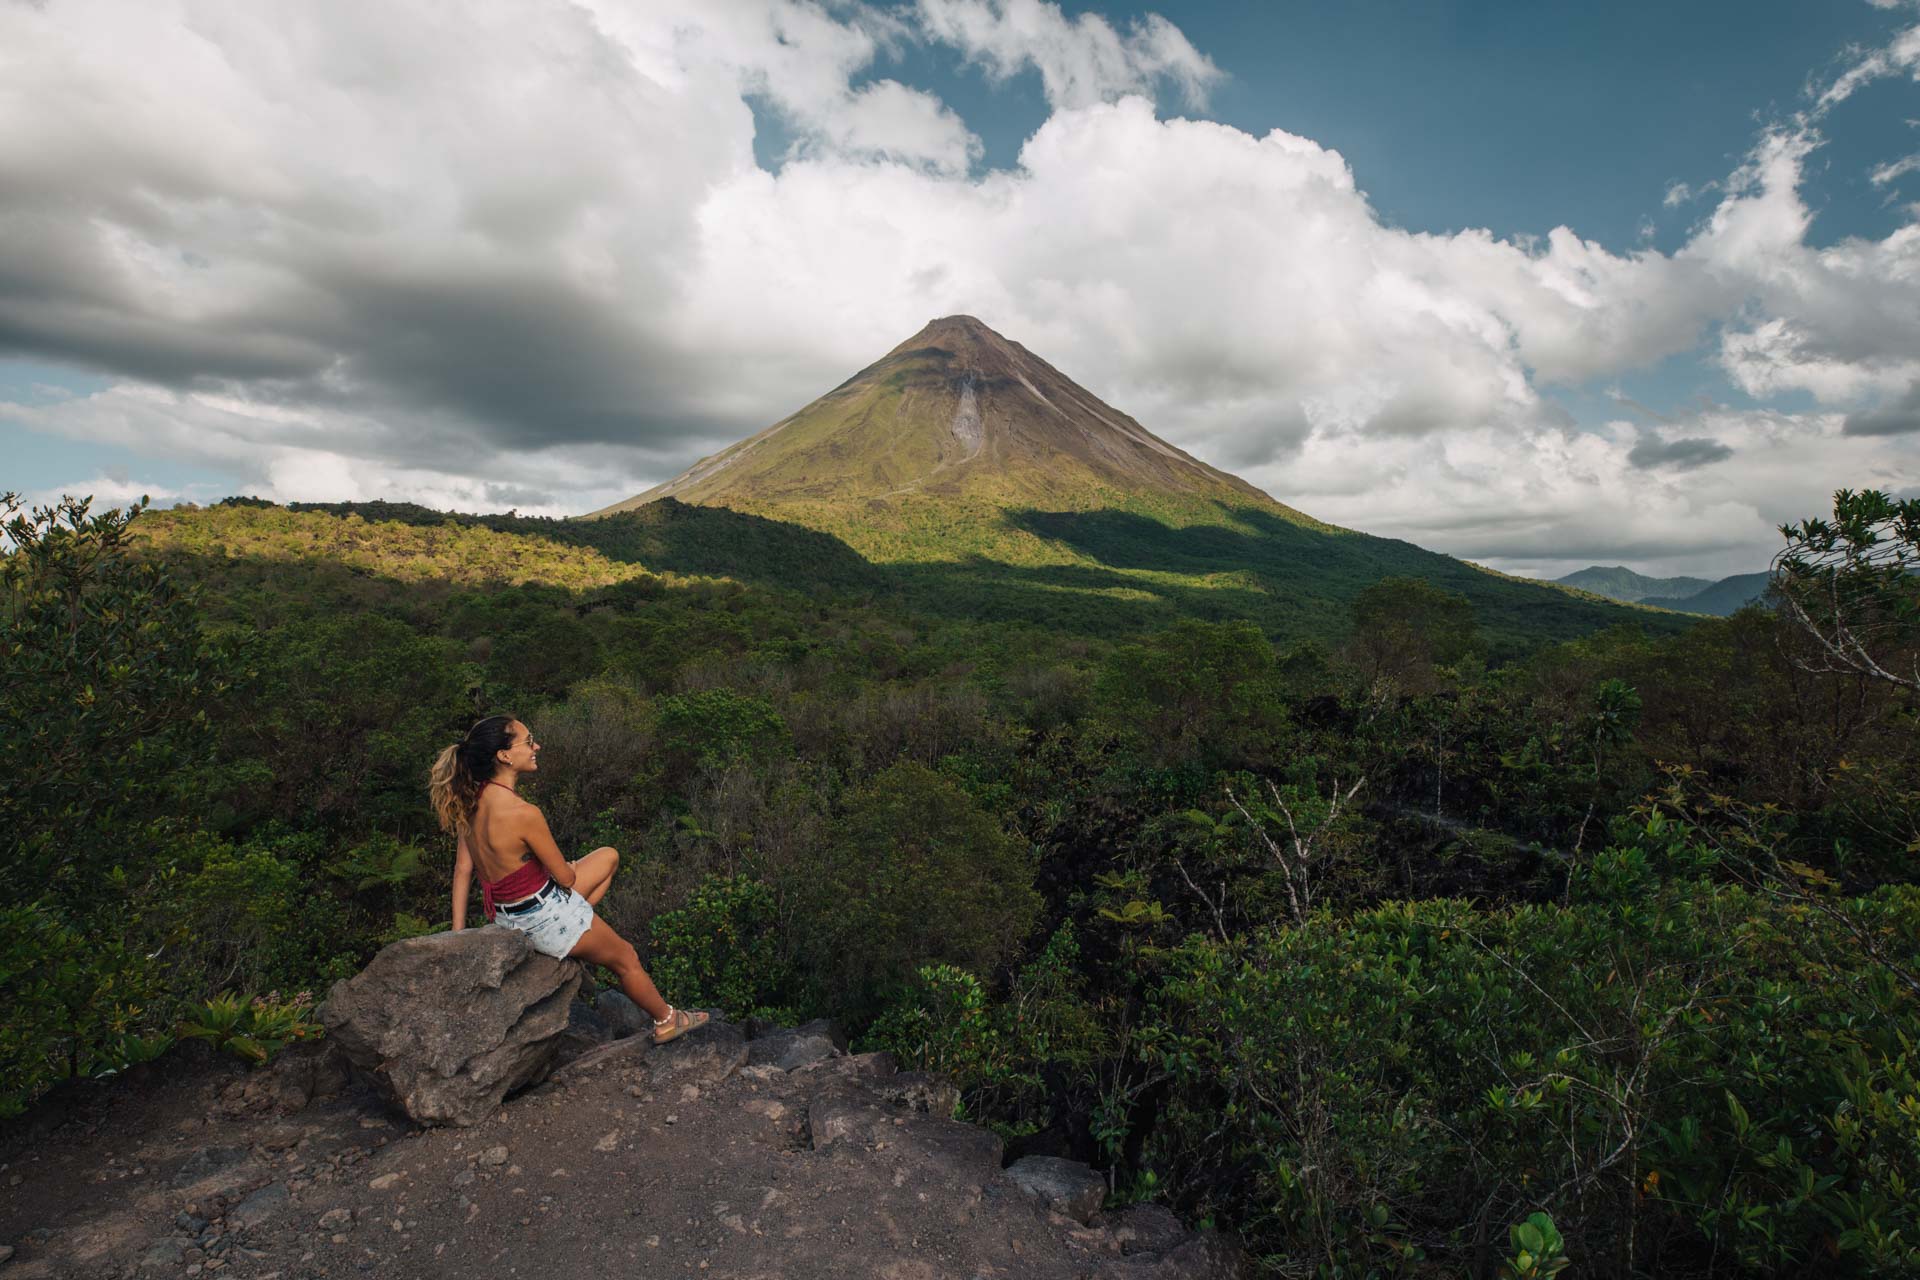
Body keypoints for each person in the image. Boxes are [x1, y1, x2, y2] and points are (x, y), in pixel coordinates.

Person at [429, 714, 709, 1045]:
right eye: (528, 741)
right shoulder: (523, 814)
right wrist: (567, 868)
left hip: (507, 916)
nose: (537, 746)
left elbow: (463, 870)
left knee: (608, 856)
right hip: (544, 915)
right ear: (504, 756)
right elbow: (565, 877)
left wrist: (459, 935)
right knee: (626, 958)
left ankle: (574, 936)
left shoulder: (470, 801)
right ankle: (667, 1020)